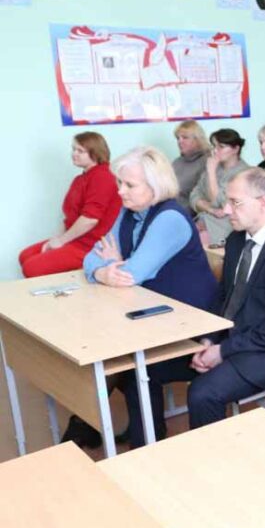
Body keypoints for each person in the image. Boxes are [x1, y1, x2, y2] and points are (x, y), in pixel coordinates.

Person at [116, 168, 265, 446]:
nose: (226, 210)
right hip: (228, 342)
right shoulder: (236, 241)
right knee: (142, 370)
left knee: (203, 394)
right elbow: (222, 299)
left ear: (262, 203)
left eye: (235, 202)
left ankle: (215, 461)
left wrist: (222, 351)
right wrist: (209, 339)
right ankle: (148, 446)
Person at [83, 146, 219, 448]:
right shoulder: (129, 211)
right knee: (109, 353)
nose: (120, 191)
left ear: (155, 186)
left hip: (194, 329)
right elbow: (91, 257)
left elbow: (131, 274)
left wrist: (115, 262)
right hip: (155, 316)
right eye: (120, 183)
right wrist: (103, 270)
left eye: (129, 185)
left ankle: (145, 443)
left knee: (128, 365)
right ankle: (116, 429)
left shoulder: (170, 217)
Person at [19, 132, 120, 278]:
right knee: (25, 255)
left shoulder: (103, 176)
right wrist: (57, 239)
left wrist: (61, 241)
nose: (74, 154)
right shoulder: (80, 179)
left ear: (95, 152)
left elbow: (90, 219)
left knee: (32, 268)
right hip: (75, 239)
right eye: (73, 149)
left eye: (80, 151)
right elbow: (70, 218)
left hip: (91, 245)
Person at [190, 129, 250, 246]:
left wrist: (211, 172)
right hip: (204, 221)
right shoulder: (215, 167)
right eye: (214, 146)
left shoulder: (244, 173)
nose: (215, 150)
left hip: (225, 228)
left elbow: (222, 204)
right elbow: (194, 196)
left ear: (235, 149)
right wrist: (210, 209)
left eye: (221, 147)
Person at [171, 120, 211, 213]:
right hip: (171, 209)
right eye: (178, 138)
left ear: (198, 140)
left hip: (190, 214)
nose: (180, 141)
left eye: (185, 137)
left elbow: (206, 198)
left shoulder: (207, 162)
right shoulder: (177, 162)